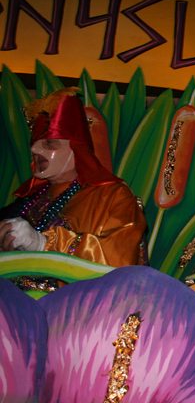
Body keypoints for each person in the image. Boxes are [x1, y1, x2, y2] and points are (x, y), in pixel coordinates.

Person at [0, 88, 147, 269]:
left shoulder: (113, 196)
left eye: (49, 143)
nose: (35, 150)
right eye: (34, 145)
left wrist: (44, 243)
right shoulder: (25, 203)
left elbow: (119, 258)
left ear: (76, 149)